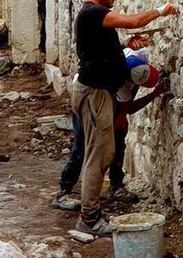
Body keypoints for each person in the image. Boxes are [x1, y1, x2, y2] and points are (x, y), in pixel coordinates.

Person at [71, 0, 178, 236]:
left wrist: (126, 46)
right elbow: (133, 21)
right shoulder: (94, 12)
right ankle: (89, 218)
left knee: (103, 152)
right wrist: (160, 10)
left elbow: (100, 52)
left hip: (98, 91)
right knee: (98, 155)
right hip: (94, 93)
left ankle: (91, 211)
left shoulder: (92, 17)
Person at [53, 58, 170, 211]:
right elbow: (129, 107)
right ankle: (63, 192)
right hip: (88, 101)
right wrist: (154, 94)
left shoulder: (133, 59)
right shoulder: (119, 83)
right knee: (82, 147)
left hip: (106, 102)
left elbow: (123, 107)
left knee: (118, 140)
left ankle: (116, 186)